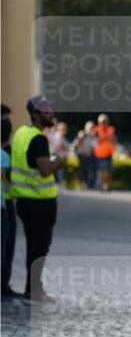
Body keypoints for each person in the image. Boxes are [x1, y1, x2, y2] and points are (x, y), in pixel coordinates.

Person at [10, 97, 66, 302]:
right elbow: (44, 170)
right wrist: (59, 162)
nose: (50, 114)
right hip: (40, 202)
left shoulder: (21, 133)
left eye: (51, 110)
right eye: (46, 111)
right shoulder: (39, 139)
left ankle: (32, 288)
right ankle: (33, 290)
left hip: (24, 201)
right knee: (39, 247)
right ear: (35, 114)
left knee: (34, 246)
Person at [1, 104, 20, 300]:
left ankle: (4, 283)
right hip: (4, 203)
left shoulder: (8, 149)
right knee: (5, 244)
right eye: (5, 120)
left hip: (7, 201)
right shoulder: (4, 154)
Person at [93, 114, 116, 191]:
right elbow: (98, 140)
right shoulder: (96, 130)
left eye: (105, 121)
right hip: (100, 154)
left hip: (109, 153)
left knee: (109, 170)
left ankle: (106, 185)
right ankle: (102, 185)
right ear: (99, 122)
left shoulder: (111, 129)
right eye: (102, 121)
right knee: (103, 170)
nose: (104, 123)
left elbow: (113, 139)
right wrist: (107, 137)